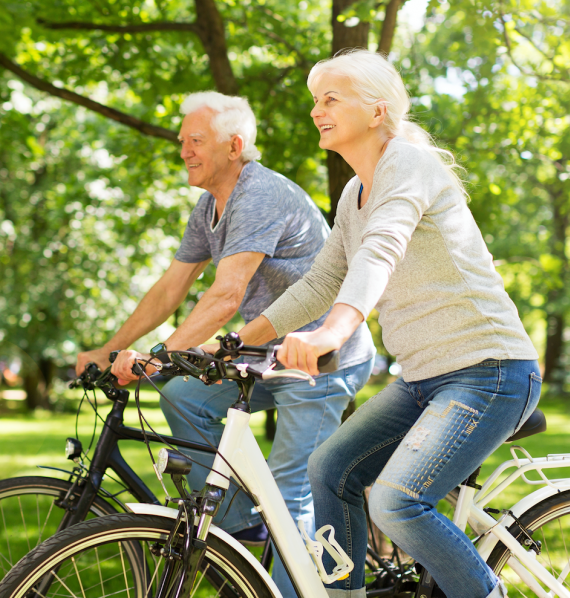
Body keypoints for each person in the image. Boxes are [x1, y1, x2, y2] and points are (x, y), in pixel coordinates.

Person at [236, 50, 541, 598]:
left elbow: (380, 252)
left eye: (330, 99)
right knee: (329, 467)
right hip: (423, 379)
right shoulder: (354, 194)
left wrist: (333, 333)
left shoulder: (410, 165)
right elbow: (320, 283)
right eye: (314, 101)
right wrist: (236, 340)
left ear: (377, 111)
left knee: (396, 502)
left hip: (488, 370)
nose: (316, 111)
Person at [75, 91, 377, 598]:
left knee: (288, 494)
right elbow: (170, 289)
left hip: (320, 356)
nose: (184, 151)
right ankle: (240, 532)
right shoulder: (209, 206)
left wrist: (158, 356)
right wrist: (112, 347)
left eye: (196, 141)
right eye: (181, 142)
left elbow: (224, 296)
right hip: (262, 355)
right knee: (181, 395)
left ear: (234, 146)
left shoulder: (259, 194)